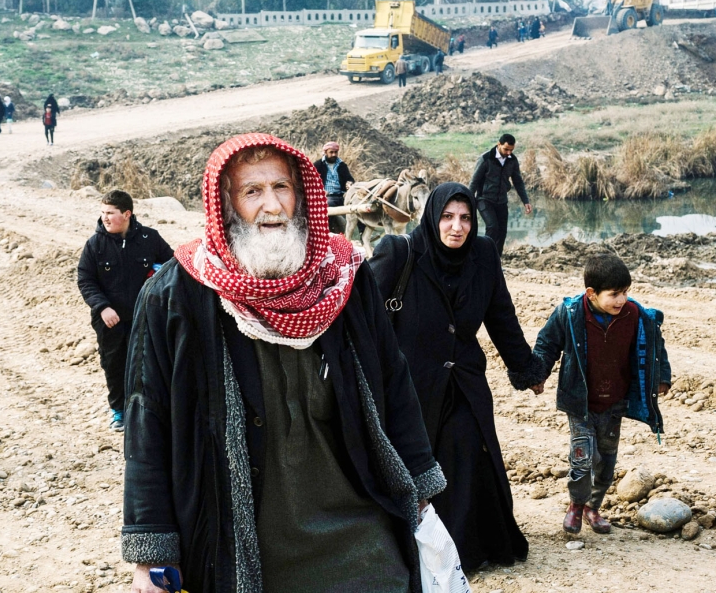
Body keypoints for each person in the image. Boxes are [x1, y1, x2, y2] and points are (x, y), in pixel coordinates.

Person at [122, 134, 445, 593]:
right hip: (243, 543)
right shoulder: (175, 297)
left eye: (282, 188)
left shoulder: (343, 279)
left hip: (359, 529)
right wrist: (151, 555)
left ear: (302, 194)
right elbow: (147, 421)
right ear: (226, 204)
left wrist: (421, 491)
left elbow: (393, 382)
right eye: (252, 192)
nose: (271, 206)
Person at [369, 182, 547, 571]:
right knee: (418, 464)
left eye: (466, 218)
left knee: (468, 453)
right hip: (410, 386)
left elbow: (501, 315)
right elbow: (365, 320)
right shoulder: (399, 253)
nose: (457, 227)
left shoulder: (483, 254)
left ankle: (468, 550)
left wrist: (525, 367)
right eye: (448, 217)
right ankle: (414, 549)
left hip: (465, 379)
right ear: (432, 217)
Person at [534, 254, 671, 535]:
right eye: (615, 294)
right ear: (591, 294)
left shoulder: (634, 314)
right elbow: (547, 344)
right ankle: (575, 505)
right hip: (580, 402)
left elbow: (656, 345)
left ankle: (592, 508)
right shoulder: (570, 314)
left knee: (607, 461)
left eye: (625, 292)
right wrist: (538, 374)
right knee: (583, 458)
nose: (622, 300)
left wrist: (661, 378)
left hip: (615, 402)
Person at [76, 190, 173, 432]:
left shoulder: (150, 238)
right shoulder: (95, 245)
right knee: (114, 364)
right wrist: (103, 307)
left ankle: (147, 412)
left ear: (127, 214)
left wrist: (159, 270)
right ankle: (119, 412)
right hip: (110, 321)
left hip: (145, 318)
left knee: (149, 365)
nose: (104, 218)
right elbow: (85, 280)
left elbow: (173, 266)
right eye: (102, 213)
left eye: (110, 213)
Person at [468, 134, 532, 255]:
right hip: (484, 200)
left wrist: (526, 201)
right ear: (499, 144)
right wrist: (468, 201)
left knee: (502, 232)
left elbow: (518, 182)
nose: (509, 153)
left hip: (502, 201)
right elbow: (474, 182)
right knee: (492, 227)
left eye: (511, 150)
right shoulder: (486, 158)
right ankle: (484, 257)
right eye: (506, 149)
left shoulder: (512, 160)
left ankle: (496, 261)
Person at [313, 141, 355, 234]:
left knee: (356, 205)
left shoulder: (342, 165)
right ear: (325, 152)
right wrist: (320, 191)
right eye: (331, 152)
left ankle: (361, 233)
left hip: (342, 195)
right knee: (328, 206)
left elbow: (349, 178)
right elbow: (312, 182)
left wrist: (349, 183)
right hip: (327, 197)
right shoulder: (318, 165)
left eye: (335, 152)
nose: (333, 154)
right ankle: (329, 234)